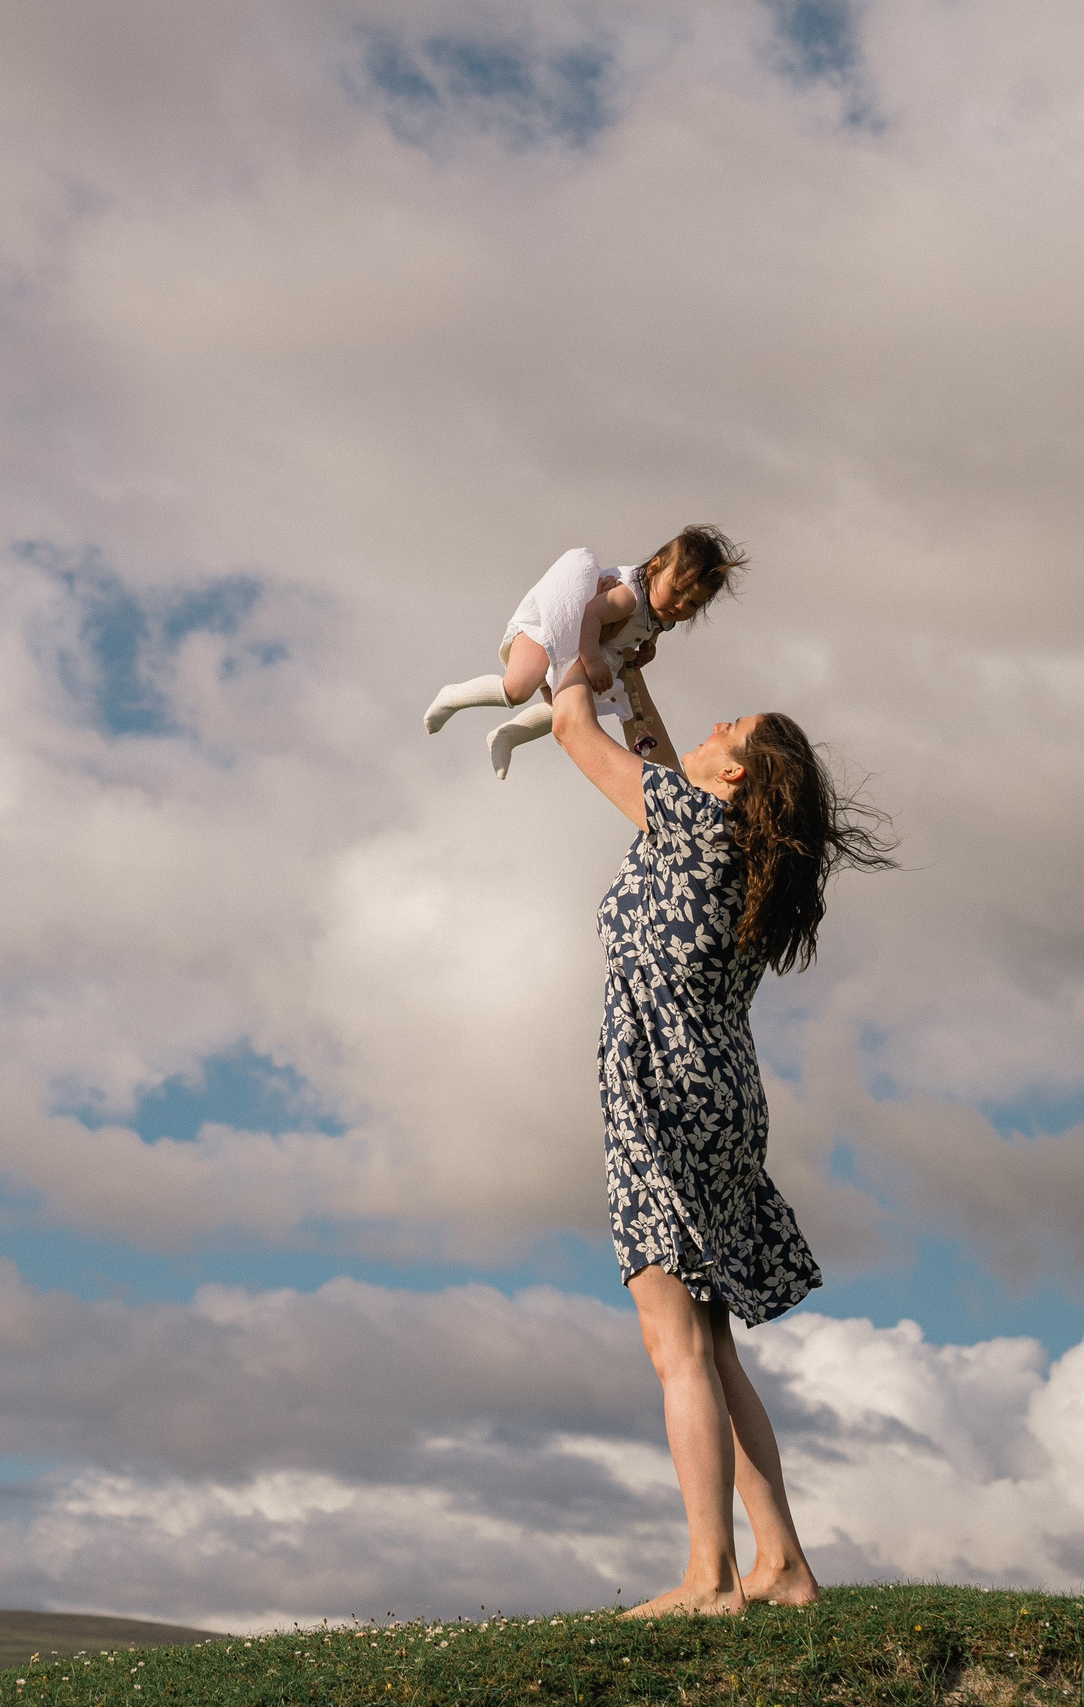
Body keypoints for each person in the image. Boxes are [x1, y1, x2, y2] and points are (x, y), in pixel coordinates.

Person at [549, 653, 895, 1619]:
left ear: (733, 774)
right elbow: (654, 746)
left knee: (677, 1348)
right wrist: (631, 674)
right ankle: (780, 1562)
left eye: (723, 731)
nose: (699, 733)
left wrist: (572, 640)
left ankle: (709, 1578)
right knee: (710, 1344)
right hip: (722, 1091)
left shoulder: (692, 819)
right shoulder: (725, 836)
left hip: (665, 1083)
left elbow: (578, 729)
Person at [422, 526, 746, 778]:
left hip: (584, 646)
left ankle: (507, 736)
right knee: (518, 688)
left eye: (692, 603)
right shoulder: (629, 597)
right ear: (654, 568)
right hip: (551, 627)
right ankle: (453, 695)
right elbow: (591, 614)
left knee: (566, 710)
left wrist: (649, 648)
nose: (679, 605)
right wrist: (591, 660)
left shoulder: (662, 614)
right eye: (676, 592)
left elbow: (651, 629)